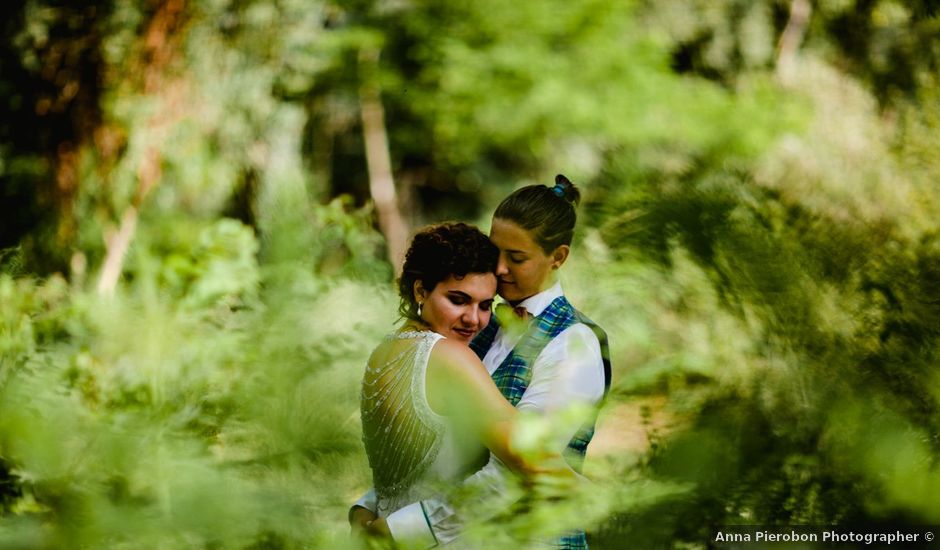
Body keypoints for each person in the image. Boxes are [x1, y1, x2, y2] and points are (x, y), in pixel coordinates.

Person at [353, 176, 611, 549]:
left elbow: (514, 474)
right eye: (496, 252)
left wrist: (397, 530)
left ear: (558, 257)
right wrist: (370, 505)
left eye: (517, 258)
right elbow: (433, 442)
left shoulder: (575, 343)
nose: (501, 269)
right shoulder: (475, 329)